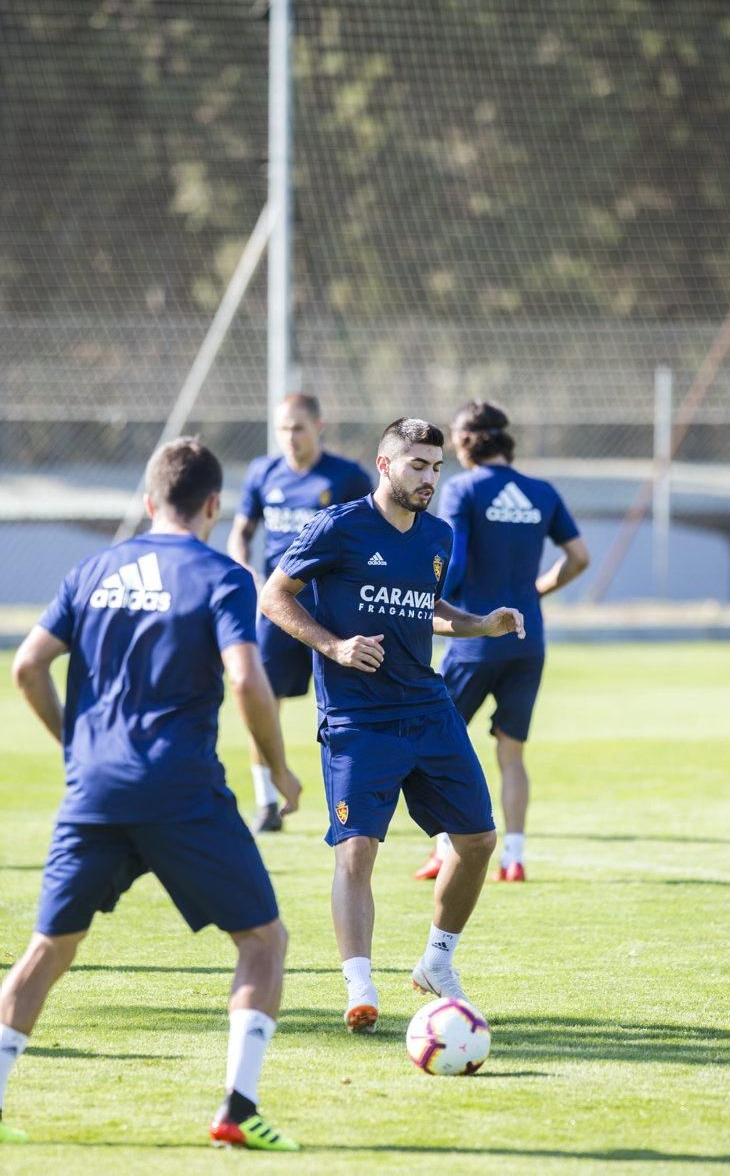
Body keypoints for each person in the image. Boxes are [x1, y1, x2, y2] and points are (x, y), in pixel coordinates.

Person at [0, 438, 302, 1151]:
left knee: (47, 950)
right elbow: (247, 679)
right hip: (179, 788)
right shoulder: (221, 574)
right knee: (263, 940)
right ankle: (238, 1105)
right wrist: (278, 767)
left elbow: (27, 666)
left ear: (147, 501)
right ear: (211, 505)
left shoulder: (94, 568)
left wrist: (78, 745)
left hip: (93, 791)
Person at [260, 417, 524, 1034]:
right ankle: (359, 984)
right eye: (417, 466)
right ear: (385, 465)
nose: (430, 478)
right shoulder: (340, 525)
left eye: (436, 467)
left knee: (480, 841)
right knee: (356, 852)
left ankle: (437, 961)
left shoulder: (438, 536)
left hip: (428, 711)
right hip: (357, 718)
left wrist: (481, 625)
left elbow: (424, 608)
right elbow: (274, 597)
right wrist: (334, 647)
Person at [413, 400, 589, 885]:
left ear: (466, 443)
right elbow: (578, 557)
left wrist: (429, 604)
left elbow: (457, 562)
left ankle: (444, 847)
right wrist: (534, 591)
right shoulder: (541, 492)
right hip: (528, 640)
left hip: (476, 641)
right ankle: (514, 857)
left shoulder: (464, 490)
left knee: (437, 745)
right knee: (511, 754)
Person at [228, 392, 373, 832]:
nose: (289, 437)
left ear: (318, 427)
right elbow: (240, 532)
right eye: (282, 428)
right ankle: (267, 802)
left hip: (332, 607)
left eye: (298, 428)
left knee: (350, 704)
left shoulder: (346, 476)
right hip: (279, 609)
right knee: (262, 700)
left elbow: (374, 530)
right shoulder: (263, 473)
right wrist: (245, 571)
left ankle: (360, 796)